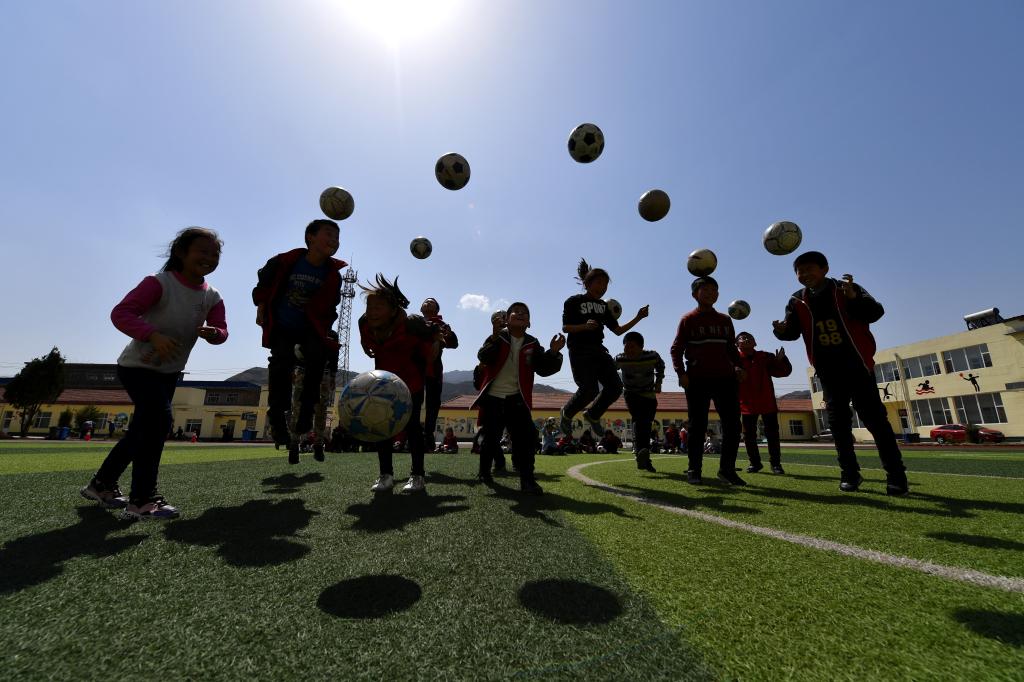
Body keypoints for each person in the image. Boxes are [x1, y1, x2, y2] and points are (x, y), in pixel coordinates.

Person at [80, 227, 228, 520]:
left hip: (168, 372)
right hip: (137, 368)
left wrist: (214, 333)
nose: (210, 258)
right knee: (159, 423)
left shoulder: (212, 296)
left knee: (143, 430)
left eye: (215, 254)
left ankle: (102, 484)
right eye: (202, 251)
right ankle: (143, 500)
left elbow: (222, 330)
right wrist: (152, 335)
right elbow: (121, 313)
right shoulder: (159, 283)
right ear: (181, 253)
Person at [773, 251, 909, 495]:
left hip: (857, 365)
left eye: (809, 268)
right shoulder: (796, 300)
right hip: (827, 371)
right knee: (838, 424)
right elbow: (792, 332)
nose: (804, 274)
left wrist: (854, 298)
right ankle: (850, 473)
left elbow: (875, 312)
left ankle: (896, 475)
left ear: (825, 269)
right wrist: (781, 330)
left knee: (875, 420)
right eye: (800, 271)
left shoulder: (845, 288)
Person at [252, 219, 346, 464]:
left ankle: (306, 414)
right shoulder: (285, 261)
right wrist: (261, 306)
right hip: (284, 326)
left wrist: (324, 326)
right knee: (280, 364)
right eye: (328, 234)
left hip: (310, 328)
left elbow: (332, 305)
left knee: (317, 358)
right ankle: (277, 418)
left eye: (337, 237)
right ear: (310, 237)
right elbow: (264, 284)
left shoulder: (332, 275)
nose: (334, 240)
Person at [358, 275, 440, 494]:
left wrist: (436, 344)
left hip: (411, 383)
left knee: (412, 427)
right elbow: (361, 326)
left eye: (379, 307)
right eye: (369, 307)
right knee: (382, 426)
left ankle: (418, 476)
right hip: (383, 383)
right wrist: (364, 343)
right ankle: (386, 475)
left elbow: (434, 331)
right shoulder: (365, 323)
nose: (372, 311)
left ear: (393, 310)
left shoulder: (412, 323)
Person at [473, 301, 565, 494]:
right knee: (490, 438)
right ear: (507, 320)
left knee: (528, 437)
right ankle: (484, 472)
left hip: (517, 398)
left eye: (525, 312)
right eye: (515, 311)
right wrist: (494, 336)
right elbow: (484, 357)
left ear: (529, 323)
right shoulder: (499, 337)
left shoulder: (532, 343)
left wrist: (554, 352)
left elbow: (543, 368)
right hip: (493, 398)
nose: (520, 313)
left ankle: (527, 480)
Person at [560, 258, 649, 438]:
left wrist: (638, 317)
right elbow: (566, 327)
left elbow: (618, 331)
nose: (603, 287)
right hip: (579, 350)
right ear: (587, 283)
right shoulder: (573, 301)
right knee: (589, 389)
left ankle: (593, 414)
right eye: (599, 282)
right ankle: (567, 413)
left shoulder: (603, 306)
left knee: (615, 387)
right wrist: (584, 326)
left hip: (598, 350)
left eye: (606, 284)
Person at [670, 276, 746, 486]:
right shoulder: (688, 319)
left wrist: (740, 367)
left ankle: (727, 470)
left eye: (714, 290)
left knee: (733, 426)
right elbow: (676, 349)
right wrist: (681, 373)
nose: (711, 293)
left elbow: (731, 349)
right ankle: (694, 470)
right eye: (705, 290)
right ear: (695, 294)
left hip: (726, 379)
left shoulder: (725, 319)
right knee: (697, 426)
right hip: (697, 379)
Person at [736, 331, 792, 475]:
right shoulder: (734, 360)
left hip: (767, 401)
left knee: (772, 434)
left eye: (750, 337)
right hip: (747, 404)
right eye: (742, 338)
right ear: (737, 344)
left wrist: (782, 360)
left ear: (755, 342)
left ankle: (776, 464)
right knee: (748, 435)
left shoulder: (766, 357)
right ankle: (755, 463)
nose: (746, 339)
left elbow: (783, 372)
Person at [615, 330, 664, 471]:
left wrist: (659, 382)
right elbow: (609, 370)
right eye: (626, 346)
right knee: (639, 420)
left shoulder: (652, 356)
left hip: (649, 395)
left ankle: (644, 457)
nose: (629, 350)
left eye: (632, 347)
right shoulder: (620, 359)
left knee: (647, 424)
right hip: (631, 394)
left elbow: (660, 366)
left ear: (641, 347)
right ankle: (640, 454)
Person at [420, 298, 459, 451]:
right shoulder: (414, 322)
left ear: (437, 310)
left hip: (433, 371)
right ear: (421, 308)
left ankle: (428, 437)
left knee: (433, 405)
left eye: (432, 302)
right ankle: (406, 437)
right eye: (425, 301)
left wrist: (449, 335)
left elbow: (454, 344)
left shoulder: (442, 325)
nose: (428, 303)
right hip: (414, 369)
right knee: (412, 403)